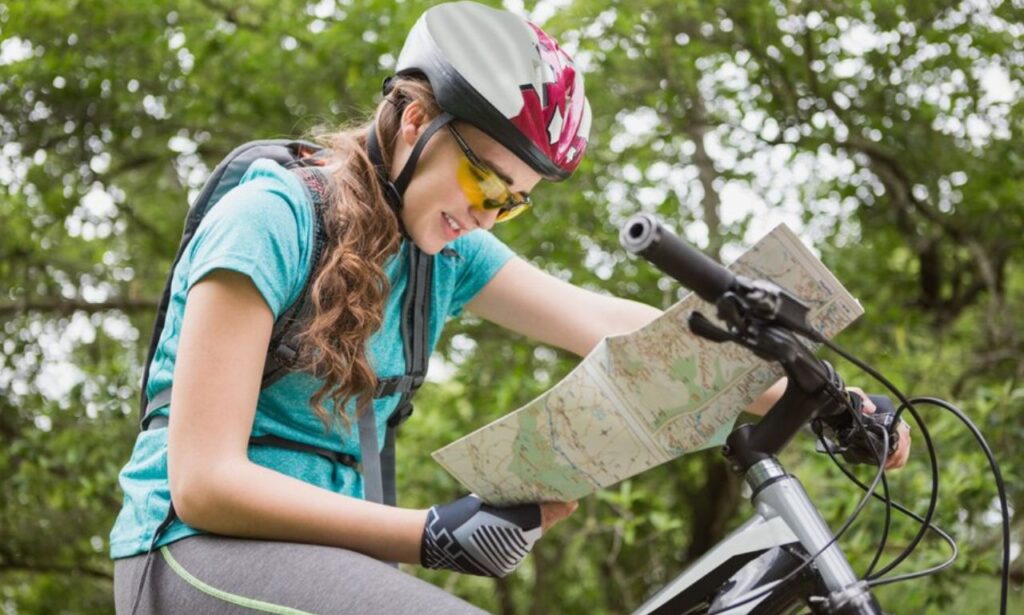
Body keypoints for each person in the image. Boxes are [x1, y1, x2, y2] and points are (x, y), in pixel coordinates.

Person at [109, 2, 910, 613]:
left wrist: (816, 388)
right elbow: (203, 482)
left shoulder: (439, 255)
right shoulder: (272, 218)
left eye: (514, 203)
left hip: (319, 560)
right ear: (416, 119)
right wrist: (429, 533)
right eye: (486, 182)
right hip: (185, 552)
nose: (489, 214)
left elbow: (613, 324)